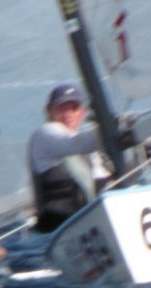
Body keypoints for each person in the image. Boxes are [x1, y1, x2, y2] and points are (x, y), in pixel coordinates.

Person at [28, 84, 112, 233]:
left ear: (82, 112)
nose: (68, 114)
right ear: (49, 111)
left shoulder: (89, 150)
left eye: (73, 108)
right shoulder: (44, 135)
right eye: (61, 108)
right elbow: (74, 144)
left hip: (89, 225)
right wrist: (112, 129)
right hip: (56, 231)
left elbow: (105, 183)